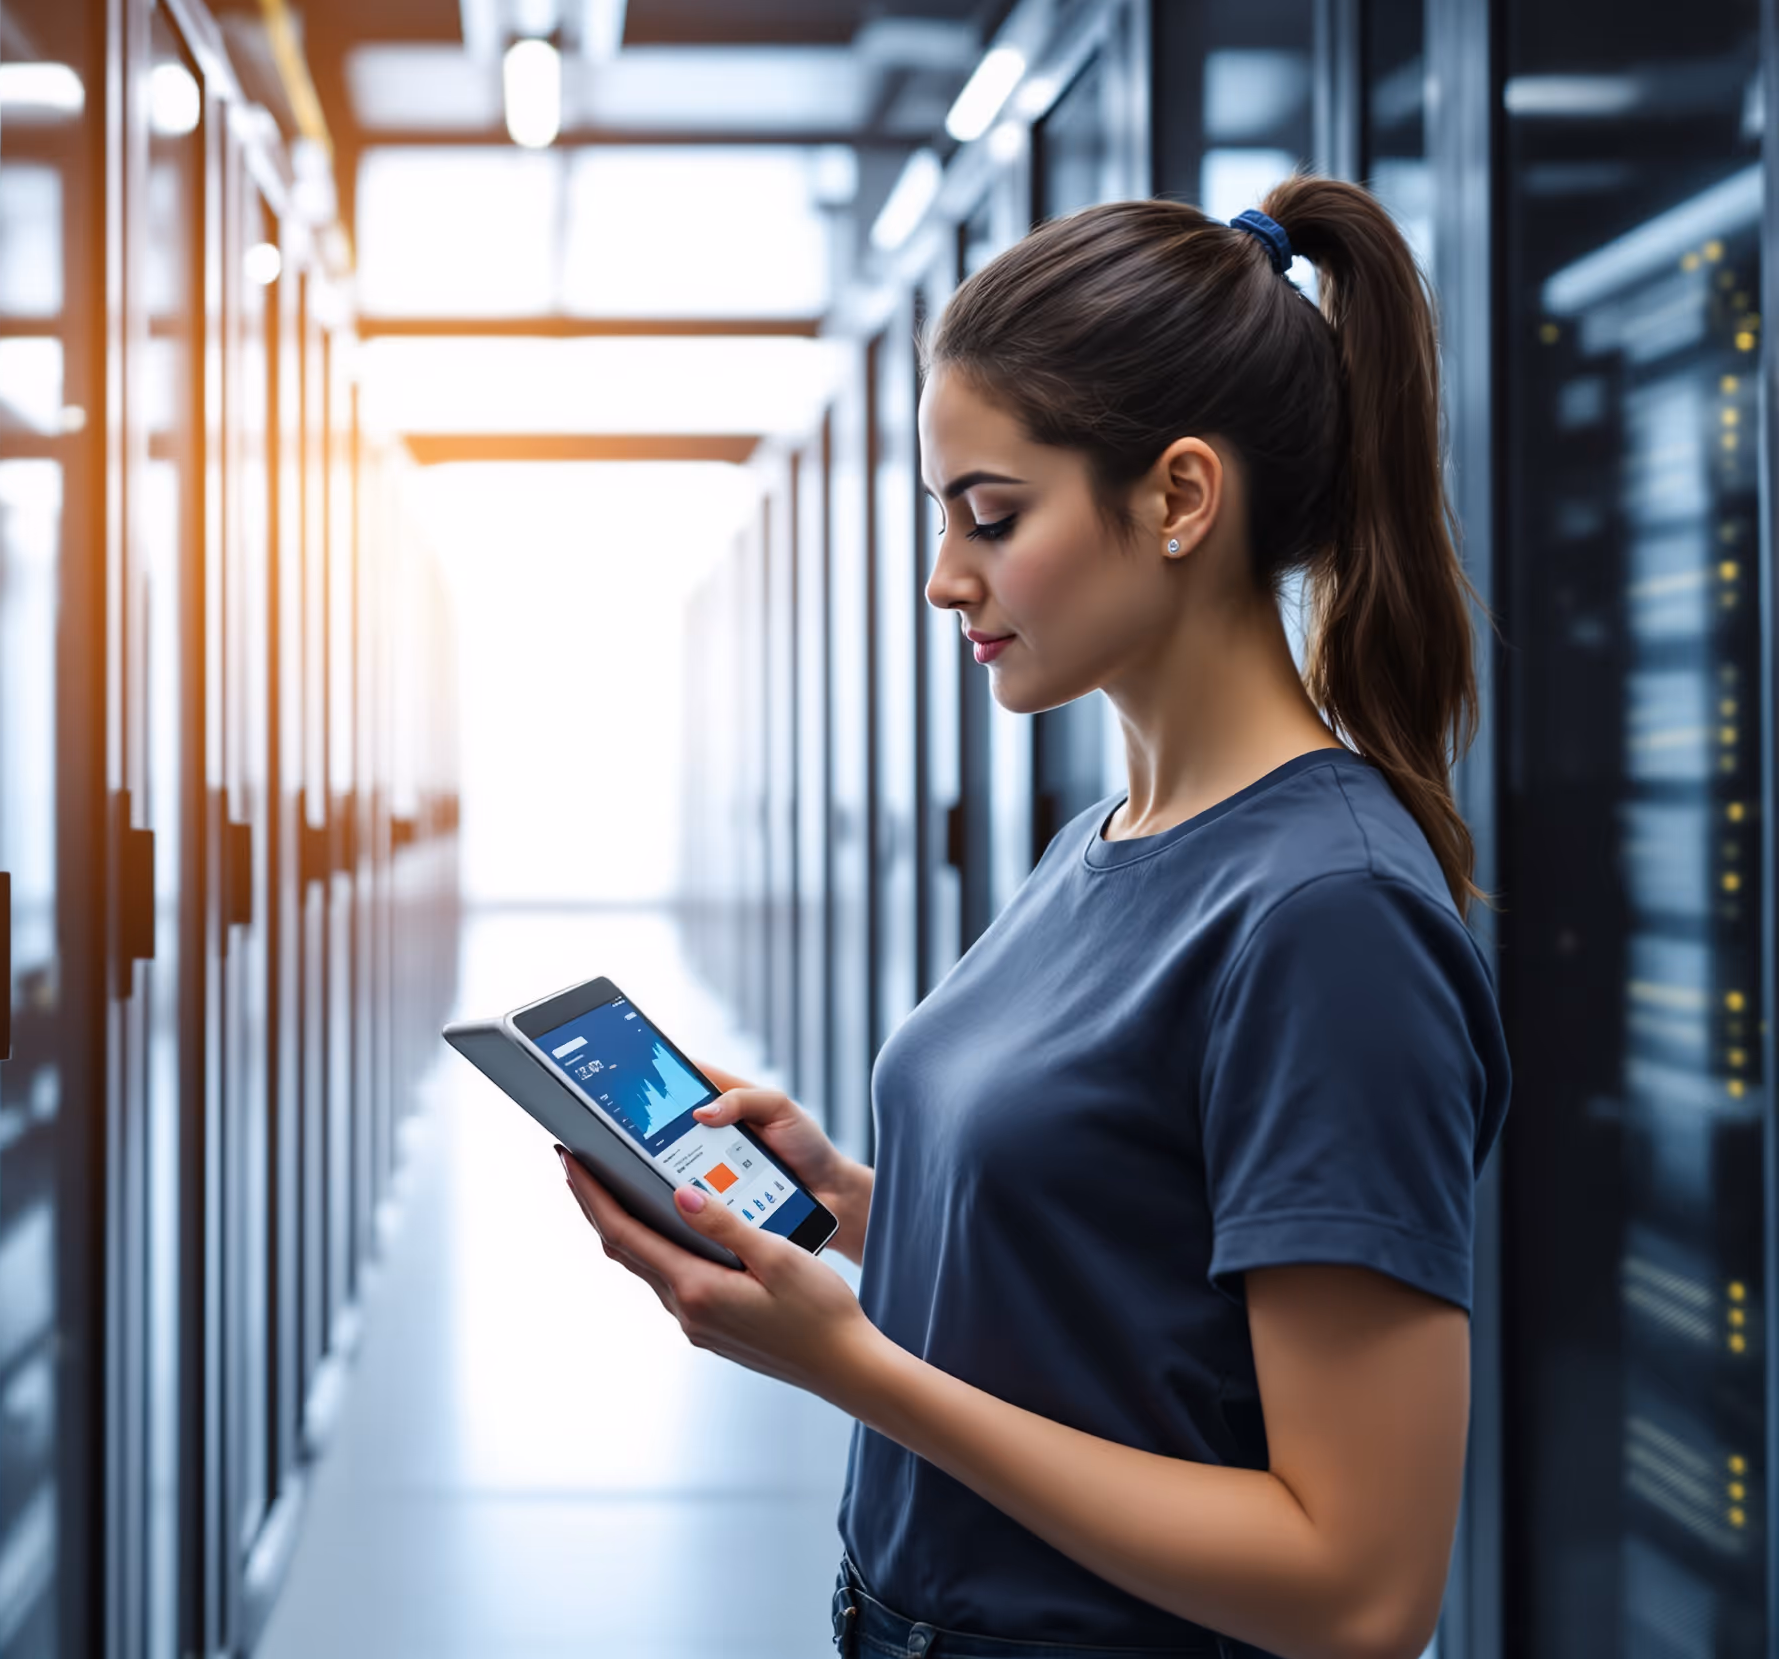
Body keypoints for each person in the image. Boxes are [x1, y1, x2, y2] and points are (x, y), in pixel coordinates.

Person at [559, 175, 1509, 1659]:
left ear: (1181, 497)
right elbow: (1135, 1264)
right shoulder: (1110, 838)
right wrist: (870, 1207)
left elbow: (1358, 1590)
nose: (947, 579)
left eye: (991, 516)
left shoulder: (1329, 918)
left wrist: (859, 1370)